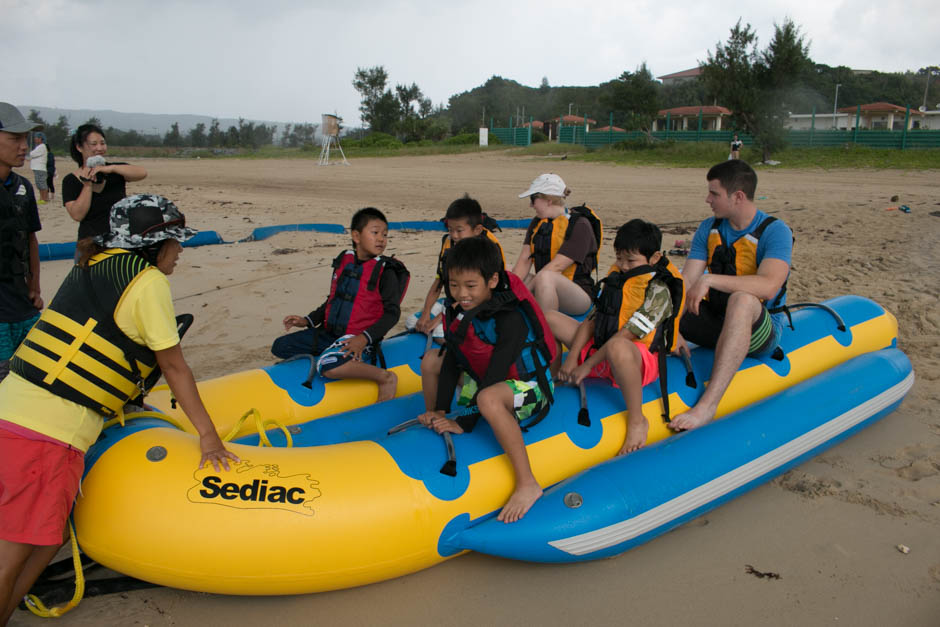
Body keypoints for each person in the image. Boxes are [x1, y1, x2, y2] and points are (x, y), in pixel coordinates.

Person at [0, 194, 239, 625]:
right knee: (14, 549)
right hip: (47, 433)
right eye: (175, 242)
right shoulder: (148, 283)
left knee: (44, 540)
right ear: (154, 246)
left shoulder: (92, 263)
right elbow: (173, 367)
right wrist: (209, 437)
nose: (181, 250)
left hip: (12, 409)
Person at [418, 237, 556, 523]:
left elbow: (495, 375)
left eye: (470, 286)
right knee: (432, 359)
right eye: (454, 285)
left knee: (487, 397)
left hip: (530, 391)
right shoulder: (458, 311)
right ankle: (434, 415)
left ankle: (527, 483)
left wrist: (464, 420)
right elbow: (454, 360)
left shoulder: (509, 318)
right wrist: (442, 410)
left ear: (492, 280)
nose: (461, 294)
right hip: (488, 384)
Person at [670, 159, 792, 431]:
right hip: (716, 323)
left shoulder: (775, 231)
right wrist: (673, 325)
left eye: (714, 193)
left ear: (737, 197)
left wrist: (710, 279)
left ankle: (708, 405)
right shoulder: (708, 228)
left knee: (742, 299)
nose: (707, 199)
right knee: (665, 291)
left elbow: (769, 286)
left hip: (760, 332)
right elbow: (686, 281)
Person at [547, 219, 685, 454]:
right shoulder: (616, 279)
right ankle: (555, 379)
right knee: (549, 317)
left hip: (637, 361)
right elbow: (593, 321)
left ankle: (637, 419)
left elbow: (627, 334)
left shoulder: (659, 290)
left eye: (630, 260)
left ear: (653, 258)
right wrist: (571, 360)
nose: (622, 266)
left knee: (618, 346)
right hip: (603, 352)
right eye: (619, 258)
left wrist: (587, 364)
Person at [272, 207, 407, 402]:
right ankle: (331, 354)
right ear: (356, 236)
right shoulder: (345, 262)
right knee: (280, 347)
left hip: (358, 337)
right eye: (375, 233)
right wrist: (307, 320)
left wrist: (363, 339)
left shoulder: (387, 272)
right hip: (329, 334)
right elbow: (334, 299)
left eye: (385, 235)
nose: (381, 239)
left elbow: (392, 314)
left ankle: (384, 378)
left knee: (328, 366)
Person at [416, 194, 506, 412]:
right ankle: (433, 414)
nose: (454, 236)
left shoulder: (487, 253)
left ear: (476, 230)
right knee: (416, 326)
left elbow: (475, 299)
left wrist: (442, 319)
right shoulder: (449, 245)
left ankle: (467, 397)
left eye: (459, 231)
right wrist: (427, 314)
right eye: (451, 230)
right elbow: (441, 283)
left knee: (441, 338)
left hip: (477, 315)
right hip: (454, 306)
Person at [0, 102, 44, 385]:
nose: (23, 146)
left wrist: (35, 287)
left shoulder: (22, 188)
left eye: (25, 139)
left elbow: (30, 239)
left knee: (32, 379)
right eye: (14, 139)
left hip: (23, 307)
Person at [512, 173, 597, 316]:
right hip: (543, 285)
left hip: (578, 294)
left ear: (548, 200)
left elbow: (556, 267)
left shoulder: (580, 225)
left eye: (533, 199)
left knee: (546, 277)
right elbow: (524, 260)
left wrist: (520, 294)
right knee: (506, 272)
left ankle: (546, 331)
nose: (531, 205)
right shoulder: (537, 223)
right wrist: (510, 288)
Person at [62, 124, 147, 242]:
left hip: (121, 240)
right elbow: (77, 215)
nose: (100, 148)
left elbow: (142, 173)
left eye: (102, 143)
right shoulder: (70, 180)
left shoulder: (115, 171)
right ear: (79, 147)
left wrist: (111, 168)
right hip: (90, 243)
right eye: (94, 144)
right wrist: (87, 185)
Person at [26, 133, 49, 204]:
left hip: (40, 168)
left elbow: (32, 154)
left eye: (37, 138)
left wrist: (31, 154)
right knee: (39, 184)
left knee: (42, 184)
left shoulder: (42, 146)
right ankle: (41, 198)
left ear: (41, 139)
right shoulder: (39, 146)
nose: (35, 139)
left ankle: (44, 199)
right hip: (37, 168)